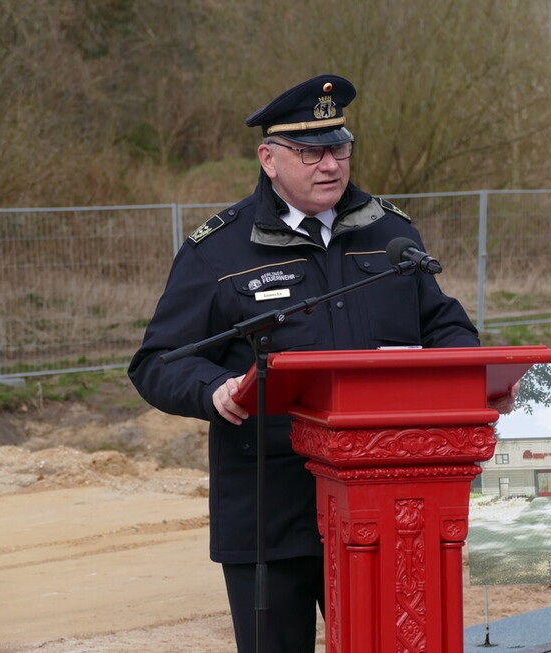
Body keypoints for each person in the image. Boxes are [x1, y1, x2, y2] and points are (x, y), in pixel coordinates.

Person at [128, 74, 486, 652]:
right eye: (311, 152)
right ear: (269, 158)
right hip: (272, 504)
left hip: (385, 500)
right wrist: (216, 389)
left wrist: (469, 377)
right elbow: (157, 362)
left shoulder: (390, 232)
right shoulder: (218, 250)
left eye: (339, 148)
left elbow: (445, 326)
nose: (331, 165)